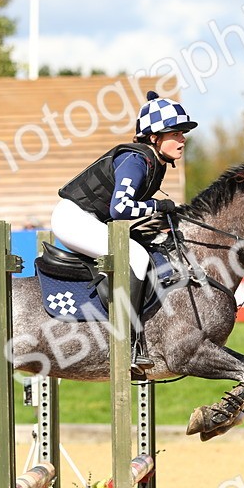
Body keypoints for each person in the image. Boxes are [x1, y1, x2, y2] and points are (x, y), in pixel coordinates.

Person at [52, 91, 196, 372]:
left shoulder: (152, 161)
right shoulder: (136, 160)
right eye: (175, 133)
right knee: (137, 258)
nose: (183, 139)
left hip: (87, 218)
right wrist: (159, 205)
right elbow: (120, 208)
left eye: (183, 133)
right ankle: (126, 343)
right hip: (74, 219)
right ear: (154, 137)